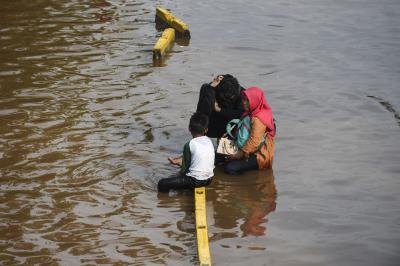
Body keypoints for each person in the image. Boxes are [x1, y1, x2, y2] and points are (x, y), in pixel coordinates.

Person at [224, 86, 276, 175]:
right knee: (221, 157)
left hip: (259, 155)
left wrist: (239, 155)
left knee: (230, 168)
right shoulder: (250, 112)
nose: (244, 103)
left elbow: (254, 141)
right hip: (247, 148)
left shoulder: (258, 119)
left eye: (247, 100)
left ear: (255, 101)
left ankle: (245, 186)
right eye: (243, 100)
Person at [158, 112, 215, 192]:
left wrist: (178, 174)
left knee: (162, 183)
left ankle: (165, 202)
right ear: (206, 130)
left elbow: (184, 170)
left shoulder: (189, 144)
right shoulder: (209, 141)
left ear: (189, 128)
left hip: (196, 181)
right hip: (209, 180)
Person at [196, 74, 245, 138]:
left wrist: (219, 110)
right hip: (214, 126)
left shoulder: (242, 94)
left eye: (231, 98)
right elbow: (202, 111)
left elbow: (241, 114)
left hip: (231, 125)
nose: (227, 100)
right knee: (205, 88)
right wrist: (210, 88)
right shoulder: (212, 88)